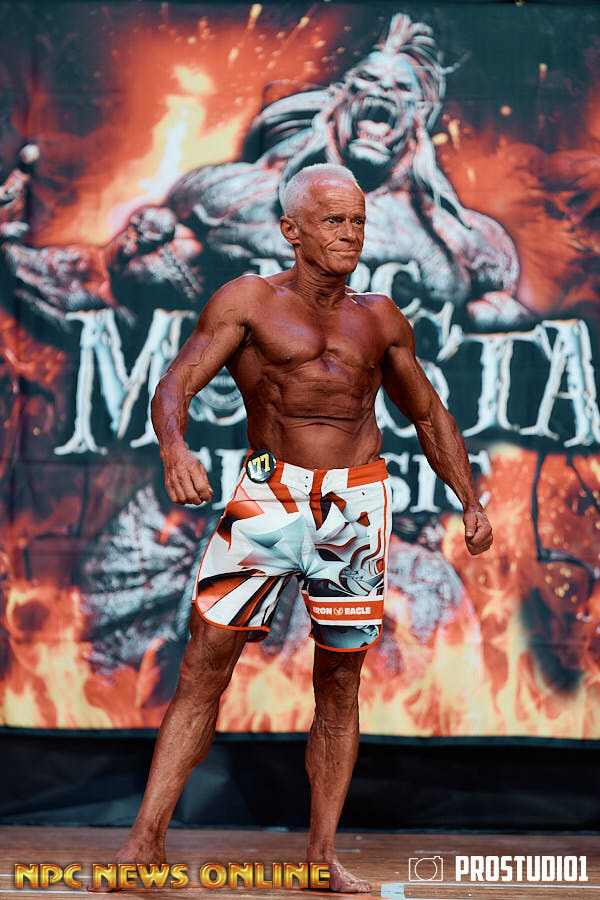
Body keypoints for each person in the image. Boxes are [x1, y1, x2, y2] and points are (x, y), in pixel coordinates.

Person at [97, 163, 492, 893]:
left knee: (340, 680)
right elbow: (176, 382)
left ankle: (319, 859)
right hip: (269, 497)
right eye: (334, 220)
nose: (351, 234)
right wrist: (175, 449)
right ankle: (143, 844)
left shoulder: (380, 318)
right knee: (204, 664)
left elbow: (429, 414)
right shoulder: (248, 301)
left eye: (358, 220)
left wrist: (469, 500)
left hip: (356, 504)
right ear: (291, 230)